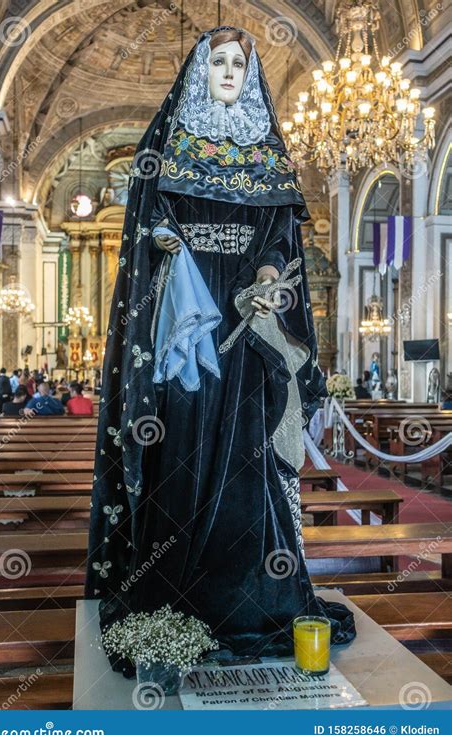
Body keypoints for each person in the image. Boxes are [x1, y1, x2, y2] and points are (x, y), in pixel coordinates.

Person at [85, 26, 355, 677]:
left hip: (247, 339)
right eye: (219, 62)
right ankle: (178, 598)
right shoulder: (167, 150)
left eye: (239, 63)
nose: (230, 72)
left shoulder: (267, 157)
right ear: (200, 72)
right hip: (189, 332)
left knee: (250, 468)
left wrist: (266, 279)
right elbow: (149, 227)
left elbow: (279, 241)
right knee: (182, 453)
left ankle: (251, 599)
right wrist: (167, 246)